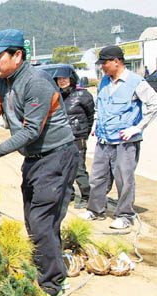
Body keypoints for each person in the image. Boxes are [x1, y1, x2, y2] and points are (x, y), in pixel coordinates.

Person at [0, 29, 78, 296]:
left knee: (42, 221)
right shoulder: (3, 83)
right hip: (33, 159)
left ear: (17, 55)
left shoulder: (36, 82)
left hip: (56, 156)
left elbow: (32, 130)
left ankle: (52, 285)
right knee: (34, 219)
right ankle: (49, 267)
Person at [79, 46, 157, 229]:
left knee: (124, 178)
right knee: (98, 177)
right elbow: (102, 106)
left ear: (116, 61)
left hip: (125, 141)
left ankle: (125, 215)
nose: (102, 67)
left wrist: (137, 128)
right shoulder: (104, 81)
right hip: (104, 139)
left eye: (104, 63)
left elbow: (154, 104)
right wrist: (97, 125)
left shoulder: (136, 82)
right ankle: (95, 210)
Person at [54, 69, 95, 209]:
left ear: (71, 78)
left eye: (65, 78)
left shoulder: (83, 94)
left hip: (77, 136)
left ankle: (86, 196)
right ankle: (68, 194)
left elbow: (90, 116)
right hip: (61, 137)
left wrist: (84, 133)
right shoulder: (56, 95)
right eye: (59, 79)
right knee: (63, 167)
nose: (62, 81)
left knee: (78, 168)